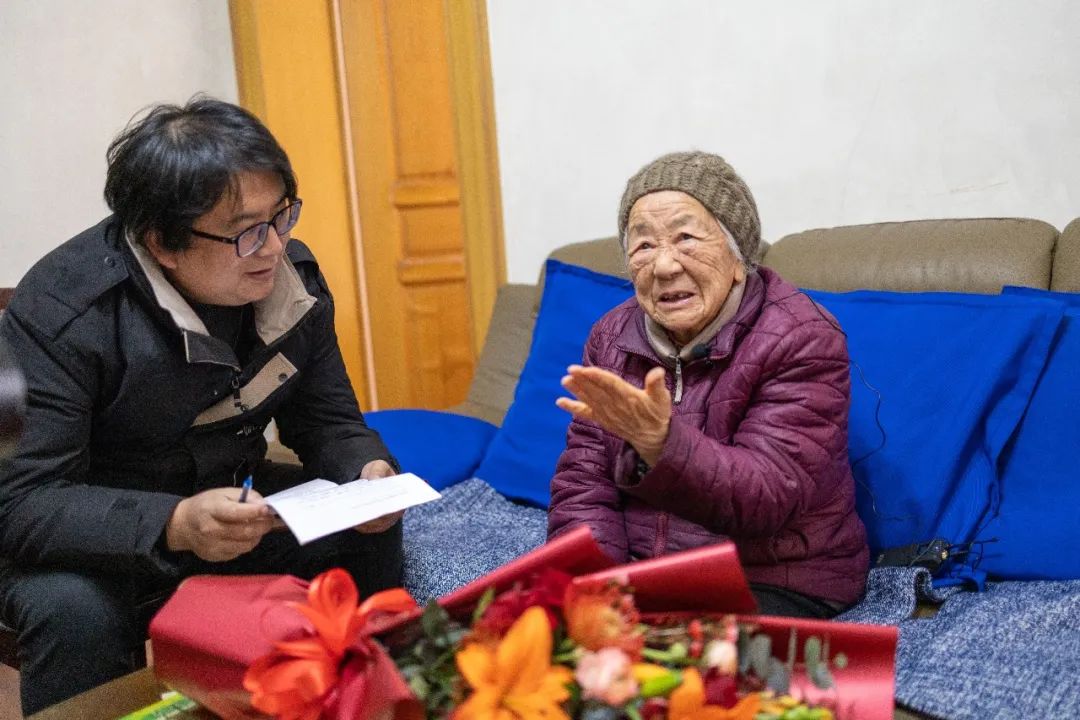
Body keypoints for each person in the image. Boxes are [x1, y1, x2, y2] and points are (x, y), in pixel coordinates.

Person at [0, 97, 404, 713]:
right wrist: (174, 523)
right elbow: (25, 502)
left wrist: (364, 472)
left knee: (361, 527)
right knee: (77, 613)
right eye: (245, 231)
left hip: (220, 501)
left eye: (282, 216)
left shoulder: (290, 285)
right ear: (163, 242)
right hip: (78, 536)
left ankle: (371, 700)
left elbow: (327, 422)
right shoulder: (66, 312)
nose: (273, 247)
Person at [548, 151, 868, 618]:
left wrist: (660, 444)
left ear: (739, 258)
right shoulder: (611, 337)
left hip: (772, 577)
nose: (663, 266)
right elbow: (584, 484)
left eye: (685, 238)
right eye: (643, 245)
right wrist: (599, 590)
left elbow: (767, 496)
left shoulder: (803, 338)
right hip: (645, 574)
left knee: (684, 659)